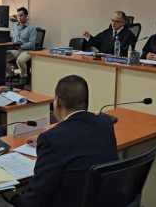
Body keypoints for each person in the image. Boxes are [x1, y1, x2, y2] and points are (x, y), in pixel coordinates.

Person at [12, 75, 118, 207]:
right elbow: (78, 136)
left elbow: (36, 199)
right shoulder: (105, 124)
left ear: (58, 102)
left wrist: (12, 198)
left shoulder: (52, 139)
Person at [8, 7, 38, 85]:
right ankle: (11, 74)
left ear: (26, 16)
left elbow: (32, 44)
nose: (19, 18)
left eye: (21, 15)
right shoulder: (14, 26)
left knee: (20, 60)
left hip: (27, 50)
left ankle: (24, 76)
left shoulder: (32, 28)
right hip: (15, 50)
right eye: (18, 16)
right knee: (2, 57)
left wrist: (21, 46)